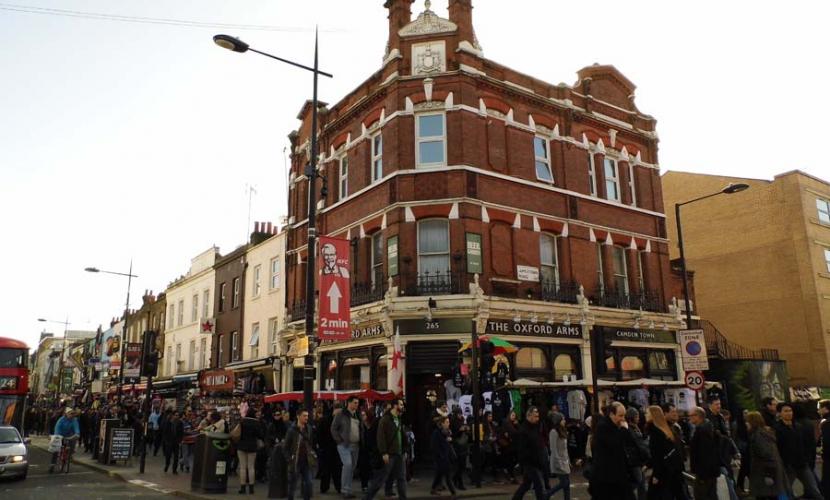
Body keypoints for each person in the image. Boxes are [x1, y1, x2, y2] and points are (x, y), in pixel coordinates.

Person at [775, 402, 823, 499]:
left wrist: (806, 458)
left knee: (813, 488)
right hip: (788, 465)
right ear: (780, 413)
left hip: (802, 463)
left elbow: (804, 444)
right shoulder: (777, 429)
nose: (789, 413)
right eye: (785, 411)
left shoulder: (798, 426)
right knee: (786, 490)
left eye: (790, 411)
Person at [589, 402, 634, 500]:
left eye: (624, 415)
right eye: (620, 416)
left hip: (618, 475)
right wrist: (624, 429)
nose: (623, 419)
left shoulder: (616, 425)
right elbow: (614, 443)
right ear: (611, 414)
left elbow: (629, 441)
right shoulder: (603, 427)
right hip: (606, 478)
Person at [363, 398, 406, 500]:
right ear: (395, 406)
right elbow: (380, 437)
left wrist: (405, 449)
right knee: (380, 479)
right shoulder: (385, 420)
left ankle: (403, 497)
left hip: (399, 453)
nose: (402, 407)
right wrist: (384, 452)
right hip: (389, 454)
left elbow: (401, 435)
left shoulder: (399, 418)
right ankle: (367, 498)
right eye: (400, 405)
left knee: (401, 478)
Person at [647, 405, 685, 499]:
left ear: (652, 415)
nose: (645, 415)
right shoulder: (666, 430)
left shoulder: (656, 432)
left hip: (663, 472)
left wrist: (656, 474)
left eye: (647, 413)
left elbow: (658, 455)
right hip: (672, 470)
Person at [746, 411, 787, 500]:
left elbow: (765, 452)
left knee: (764, 494)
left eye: (747, 421)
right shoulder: (766, 432)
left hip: (764, 471)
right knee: (773, 494)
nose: (746, 424)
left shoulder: (757, 435)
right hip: (772, 469)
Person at [511, 406, 547, 500]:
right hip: (531, 463)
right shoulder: (524, 430)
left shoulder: (535, 427)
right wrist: (528, 460)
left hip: (535, 461)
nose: (537, 418)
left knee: (526, 485)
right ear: (529, 415)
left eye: (538, 416)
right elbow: (523, 448)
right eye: (535, 416)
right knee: (540, 486)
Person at [332, 396, 362, 499]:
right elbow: (333, 428)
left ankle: (348, 489)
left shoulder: (358, 415)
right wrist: (339, 440)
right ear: (349, 403)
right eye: (355, 402)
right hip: (344, 445)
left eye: (357, 403)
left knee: (352, 467)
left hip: (356, 445)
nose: (356, 405)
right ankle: (345, 489)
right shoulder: (341, 414)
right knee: (347, 465)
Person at [689, 406, 721, 500]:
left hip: (705, 473)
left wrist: (702, 474)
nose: (689, 418)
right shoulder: (707, 427)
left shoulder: (702, 431)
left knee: (703, 495)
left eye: (691, 415)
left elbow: (704, 454)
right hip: (710, 471)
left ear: (697, 416)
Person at [285, 409, 315, 500]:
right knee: (293, 485)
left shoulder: (309, 428)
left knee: (309, 483)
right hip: (295, 461)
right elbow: (286, 447)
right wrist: (289, 458)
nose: (306, 418)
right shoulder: (292, 430)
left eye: (307, 416)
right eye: (304, 416)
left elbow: (311, 442)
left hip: (306, 460)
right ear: (298, 416)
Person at [235, 407, 264, 494]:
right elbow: (260, 435)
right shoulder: (256, 423)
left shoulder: (242, 421)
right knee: (251, 467)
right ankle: (251, 488)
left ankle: (242, 487)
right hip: (252, 446)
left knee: (243, 467)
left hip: (241, 445)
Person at [624, 407, 649, 500]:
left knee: (642, 483)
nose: (638, 418)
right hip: (634, 460)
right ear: (631, 417)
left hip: (638, 459)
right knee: (638, 481)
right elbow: (637, 443)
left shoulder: (635, 428)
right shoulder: (629, 429)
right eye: (636, 416)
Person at [430, 415, 457, 498]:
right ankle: (453, 492)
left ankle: (433, 489)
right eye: (447, 422)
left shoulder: (447, 432)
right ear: (442, 424)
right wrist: (440, 455)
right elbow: (434, 446)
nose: (448, 424)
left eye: (448, 422)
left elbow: (448, 444)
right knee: (447, 476)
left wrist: (449, 440)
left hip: (446, 456)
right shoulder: (437, 433)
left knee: (439, 475)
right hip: (440, 457)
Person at [548, 412, 571, 500]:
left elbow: (565, 448)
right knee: (564, 483)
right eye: (563, 419)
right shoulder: (554, 432)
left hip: (565, 461)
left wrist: (568, 460)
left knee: (567, 483)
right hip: (558, 461)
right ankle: (546, 495)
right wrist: (559, 463)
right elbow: (553, 449)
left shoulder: (563, 430)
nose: (564, 421)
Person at [49, 407, 80, 473]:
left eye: (73, 414)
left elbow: (76, 429)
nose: (72, 415)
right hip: (60, 434)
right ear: (66, 414)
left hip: (69, 435)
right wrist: (57, 437)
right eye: (70, 414)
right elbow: (57, 429)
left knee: (73, 442)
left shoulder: (74, 420)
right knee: (56, 448)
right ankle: (52, 464)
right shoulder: (61, 420)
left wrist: (77, 434)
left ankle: (70, 454)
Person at [450, 407, 471, 490]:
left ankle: (455, 479)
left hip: (463, 444)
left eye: (461, 413)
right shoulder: (453, 422)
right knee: (459, 465)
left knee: (462, 465)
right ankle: (459, 483)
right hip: (457, 445)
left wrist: (466, 429)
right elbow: (454, 434)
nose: (460, 415)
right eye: (458, 414)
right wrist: (460, 430)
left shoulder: (462, 420)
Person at [161, 410, 184, 474]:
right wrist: (166, 440)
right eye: (176, 415)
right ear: (173, 415)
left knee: (176, 456)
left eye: (178, 415)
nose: (177, 417)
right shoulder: (168, 422)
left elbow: (181, 432)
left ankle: (174, 469)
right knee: (168, 455)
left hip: (176, 442)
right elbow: (164, 431)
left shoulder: (180, 423)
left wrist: (180, 440)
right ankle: (167, 465)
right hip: (169, 441)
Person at [820, 399, 830, 498]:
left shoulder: (826, 423)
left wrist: (823, 453)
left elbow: (827, 441)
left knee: (827, 477)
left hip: (828, 455)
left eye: (820, 408)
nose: (818, 410)